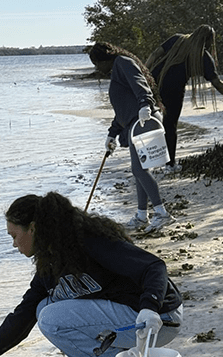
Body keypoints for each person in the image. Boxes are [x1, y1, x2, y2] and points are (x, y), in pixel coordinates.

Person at [0, 192, 183, 357]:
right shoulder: (52, 264)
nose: (14, 244)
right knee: (42, 308)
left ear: (33, 228)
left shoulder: (88, 241)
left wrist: (150, 307)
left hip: (158, 318)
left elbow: (154, 267)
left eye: (14, 235)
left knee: (50, 318)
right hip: (131, 320)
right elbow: (22, 316)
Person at [89, 42, 176, 233]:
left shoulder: (122, 62)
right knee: (140, 171)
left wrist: (145, 103)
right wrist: (112, 134)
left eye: (97, 63)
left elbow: (140, 84)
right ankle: (141, 216)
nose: (97, 68)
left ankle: (162, 214)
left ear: (105, 58)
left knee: (139, 170)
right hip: (135, 123)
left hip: (144, 121)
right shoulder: (117, 69)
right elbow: (123, 109)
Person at [146, 24, 223, 171]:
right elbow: (217, 83)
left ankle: (147, 161)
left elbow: (155, 54)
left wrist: (144, 73)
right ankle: (170, 164)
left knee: (149, 122)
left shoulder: (177, 39)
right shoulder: (203, 57)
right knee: (170, 125)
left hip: (153, 83)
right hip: (173, 90)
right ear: (209, 41)